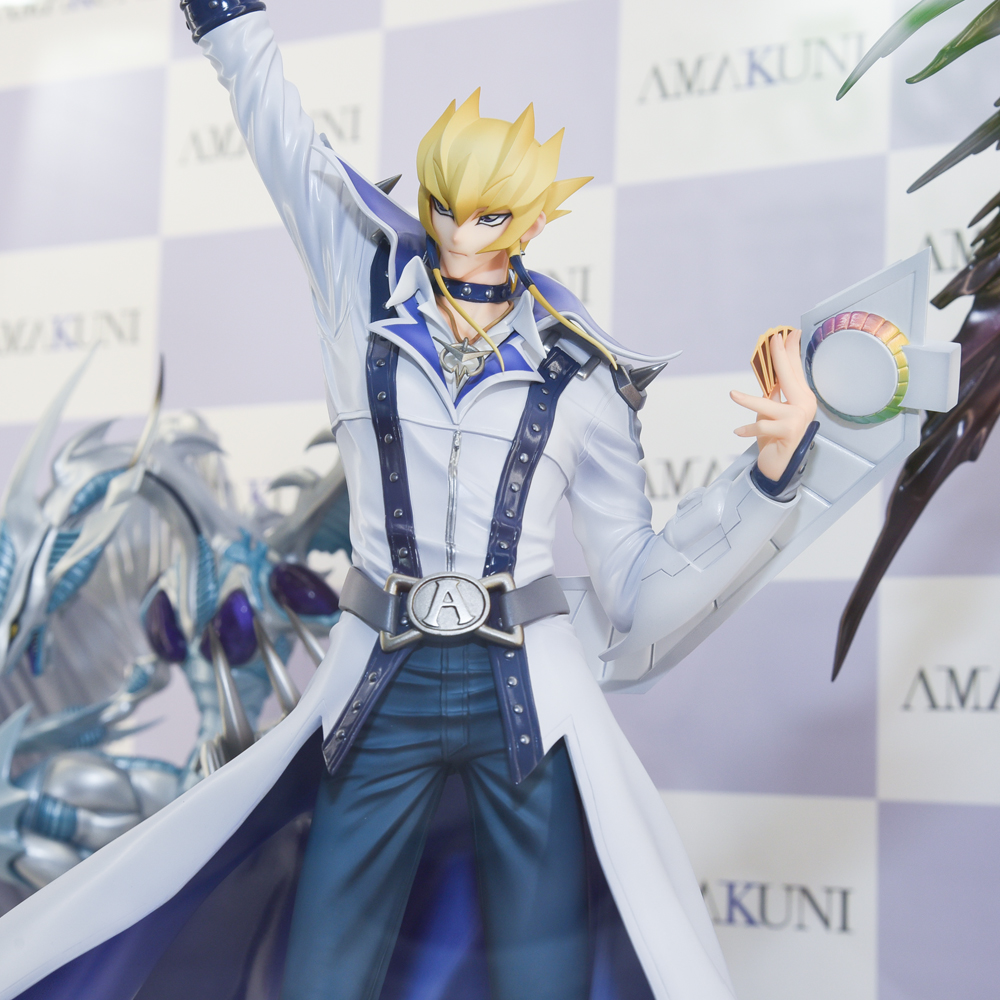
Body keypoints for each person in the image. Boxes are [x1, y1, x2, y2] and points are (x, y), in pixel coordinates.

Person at [0, 3, 823, 1000]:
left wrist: (768, 481)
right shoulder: (361, 291)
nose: (458, 232)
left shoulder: (583, 379)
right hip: (381, 679)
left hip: (525, 696)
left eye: (488, 216)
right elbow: (285, 143)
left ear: (531, 222)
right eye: (443, 206)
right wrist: (227, 21)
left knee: (546, 975)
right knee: (321, 969)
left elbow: (639, 589)